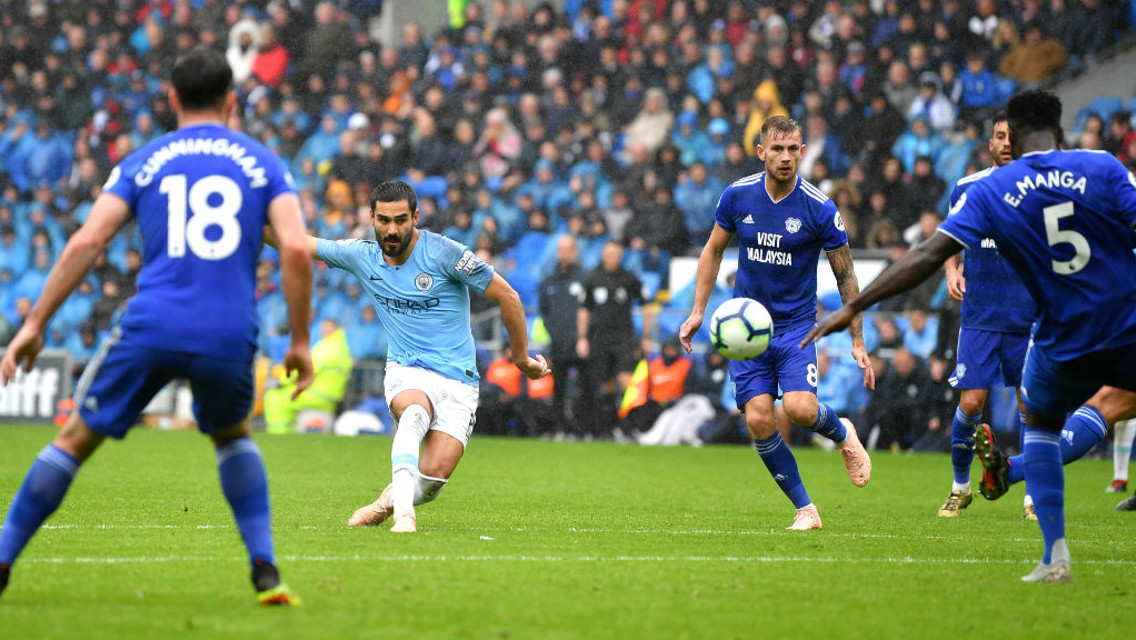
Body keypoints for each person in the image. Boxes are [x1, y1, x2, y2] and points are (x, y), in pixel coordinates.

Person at [0, 47, 313, 605]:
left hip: (151, 326)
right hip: (226, 335)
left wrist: (35, 323)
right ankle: (265, 567)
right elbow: (293, 246)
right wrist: (299, 339)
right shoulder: (264, 162)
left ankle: (2, 559)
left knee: (74, 441)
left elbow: (87, 242)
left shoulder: (145, 159)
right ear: (231, 100)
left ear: (172, 99)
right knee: (233, 435)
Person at [806, 90, 1136, 583]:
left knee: (1044, 422)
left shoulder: (994, 188)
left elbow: (926, 255)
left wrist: (855, 304)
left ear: (1015, 138)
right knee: (1110, 402)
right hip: (1120, 320)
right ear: (1061, 132)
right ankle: (1012, 476)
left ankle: (1055, 557)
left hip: (1055, 334)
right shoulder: (1105, 167)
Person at [267, 179, 549, 533]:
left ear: (416, 217)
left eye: (401, 220)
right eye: (384, 220)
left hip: (459, 378)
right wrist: (247, 220)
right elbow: (295, 241)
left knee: (432, 480)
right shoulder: (361, 255)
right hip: (406, 369)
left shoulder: (447, 254)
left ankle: (385, 502)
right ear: (371, 218)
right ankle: (404, 517)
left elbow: (508, 296)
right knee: (414, 412)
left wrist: (521, 358)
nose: (392, 229)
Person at [678, 115, 875, 531]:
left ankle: (842, 434)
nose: (785, 158)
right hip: (745, 327)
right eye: (777, 149)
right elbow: (713, 250)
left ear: (803, 152)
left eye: (793, 150)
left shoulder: (819, 208)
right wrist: (698, 310)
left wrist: (857, 340)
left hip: (795, 328)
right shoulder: (737, 196)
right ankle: (806, 509)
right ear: (761, 151)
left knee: (802, 410)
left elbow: (847, 277)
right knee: (760, 420)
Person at [937, 112, 1035, 518]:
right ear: (990, 144)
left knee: (1033, 405)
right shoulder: (968, 187)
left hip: (1030, 315)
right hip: (980, 314)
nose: (1007, 142)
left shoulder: (1042, 191)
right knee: (972, 402)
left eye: (1014, 136)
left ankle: (1034, 496)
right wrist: (951, 270)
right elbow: (948, 239)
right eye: (1000, 136)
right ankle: (961, 487)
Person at [576, 241, 656, 441]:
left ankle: (631, 426)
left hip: (624, 338)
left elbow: (647, 305)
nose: (613, 257)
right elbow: (583, 310)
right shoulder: (592, 278)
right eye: (609, 253)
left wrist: (647, 336)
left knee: (626, 380)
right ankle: (608, 428)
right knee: (606, 384)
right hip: (599, 338)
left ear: (621, 256)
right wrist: (582, 338)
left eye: (617, 254)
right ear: (603, 254)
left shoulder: (629, 278)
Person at [263, 318, 352, 434]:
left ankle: (278, 434)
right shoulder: (342, 347)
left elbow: (304, 368)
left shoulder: (327, 347)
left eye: (326, 329)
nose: (323, 332)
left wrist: (282, 379)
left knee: (273, 398)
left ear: (334, 329)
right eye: (322, 329)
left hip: (315, 394)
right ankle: (290, 433)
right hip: (330, 397)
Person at [538, 235, 585, 437]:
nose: (565, 253)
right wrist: (554, 333)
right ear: (558, 252)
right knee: (559, 388)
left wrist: (582, 335)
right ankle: (559, 428)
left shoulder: (584, 278)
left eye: (569, 249)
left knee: (585, 387)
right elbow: (544, 311)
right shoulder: (549, 281)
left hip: (582, 343)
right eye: (562, 249)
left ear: (575, 251)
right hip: (558, 343)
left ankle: (583, 429)